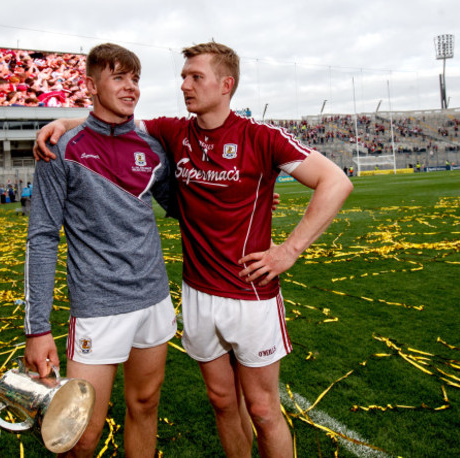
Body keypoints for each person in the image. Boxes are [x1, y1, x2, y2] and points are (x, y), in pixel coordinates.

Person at [34, 41, 353, 457]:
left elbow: (337, 182)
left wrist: (288, 250)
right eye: (183, 76)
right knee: (222, 402)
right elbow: (113, 122)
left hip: (248, 292)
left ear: (226, 85)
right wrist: (65, 122)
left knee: (262, 409)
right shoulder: (172, 132)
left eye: (194, 77)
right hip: (195, 294)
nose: (183, 84)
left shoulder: (260, 136)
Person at [24, 43, 176, 458]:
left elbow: (184, 208)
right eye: (119, 78)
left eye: (135, 79)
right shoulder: (62, 148)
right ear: (91, 85)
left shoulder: (152, 148)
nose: (131, 88)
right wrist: (37, 328)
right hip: (98, 307)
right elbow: (41, 237)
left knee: (145, 406)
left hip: (154, 300)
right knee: (81, 435)